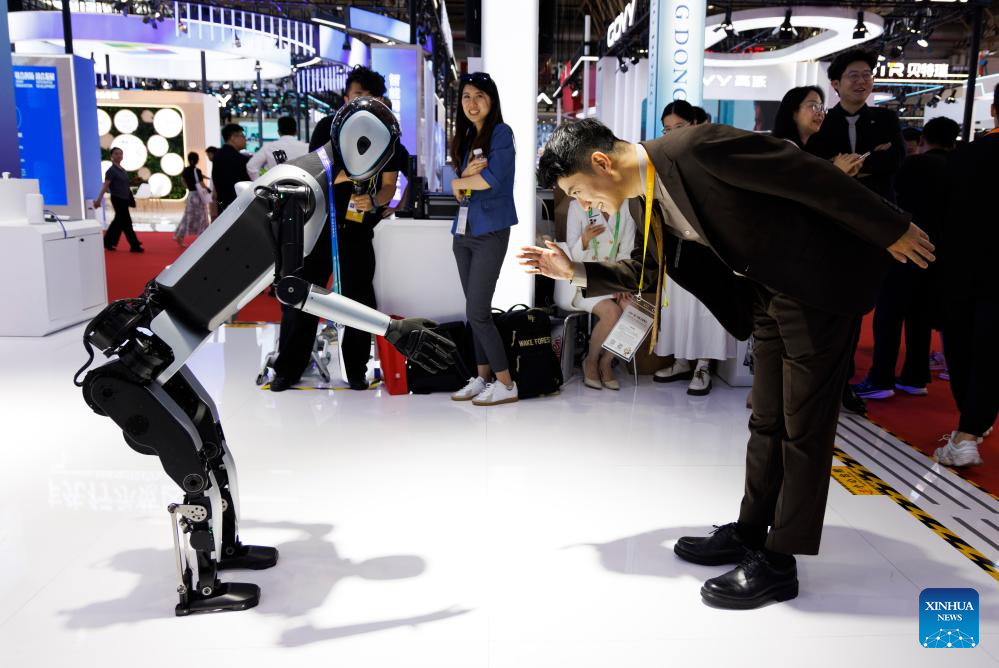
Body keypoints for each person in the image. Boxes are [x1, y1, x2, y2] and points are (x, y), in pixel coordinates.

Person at [521, 119, 932, 609]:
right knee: (767, 419)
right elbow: (645, 271)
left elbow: (806, 173)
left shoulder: (696, 148)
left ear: (601, 162)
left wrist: (890, 226)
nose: (584, 203)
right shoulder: (641, 197)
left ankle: (779, 561)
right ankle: (751, 531)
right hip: (766, 298)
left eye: (577, 191)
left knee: (804, 427)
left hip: (816, 288)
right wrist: (574, 269)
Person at [271, 66, 404, 392]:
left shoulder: (388, 133)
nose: (363, 102)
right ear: (346, 98)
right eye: (358, 95)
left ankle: (356, 369)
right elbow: (316, 170)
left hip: (357, 231)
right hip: (319, 227)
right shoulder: (327, 127)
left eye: (370, 96)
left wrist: (373, 201)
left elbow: (389, 185)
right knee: (303, 296)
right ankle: (288, 368)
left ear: (381, 100)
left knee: (359, 302)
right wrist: (348, 175)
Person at [807, 49, 906, 413]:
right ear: (835, 84)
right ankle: (837, 380)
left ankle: (877, 378)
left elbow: (894, 159)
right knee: (839, 305)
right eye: (853, 75)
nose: (862, 81)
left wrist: (849, 167)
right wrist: (866, 159)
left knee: (884, 302)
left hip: (879, 223)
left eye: (867, 74)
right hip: (834, 224)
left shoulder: (885, 118)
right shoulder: (823, 122)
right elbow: (816, 166)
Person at [854, 117, 961, 400]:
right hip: (940, 255)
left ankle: (881, 378)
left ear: (923, 139)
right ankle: (915, 377)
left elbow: (886, 198)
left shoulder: (911, 166)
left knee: (888, 316)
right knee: (920, 317)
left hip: (902, 248)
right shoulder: (959, 167)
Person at [933, 84, 999, 467]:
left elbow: (943, 216)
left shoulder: (965, 157)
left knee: (962, 350)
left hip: (963, 271)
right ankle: (973, 424)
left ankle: (967, 433)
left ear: (994, 110)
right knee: (991, 353)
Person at [447, 72, 519, 407]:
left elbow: (490, 180)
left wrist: (459, 182)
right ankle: (482, 377)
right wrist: (462, 181)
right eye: (466, 96)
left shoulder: (501, 133)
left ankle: (506, 384)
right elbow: (463, 190)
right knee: (473, 310)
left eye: (479, 96)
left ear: (492, 100)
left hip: (490, 231)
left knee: (478, 313)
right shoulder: (466, 138)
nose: (472, 103)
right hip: (464, 233)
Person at [653, 100, 735, 396]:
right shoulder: (661, 160)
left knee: (706, 307)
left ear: (695, 125)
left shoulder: (711, 157)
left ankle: (703, 365)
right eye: (667, 129)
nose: (672, 133)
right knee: (678, 304)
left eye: (679, 127)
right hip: (676, 243)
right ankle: (681, 360)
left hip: (709, 244)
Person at [563, 199, 636, 390]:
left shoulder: (626, 206)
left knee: (634, 311)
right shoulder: (577, 206)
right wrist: (584, 240)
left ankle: (606, 361)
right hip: (585, 278)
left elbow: (626, 251)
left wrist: (622, 282)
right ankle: (591, 361)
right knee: (612, 312)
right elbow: (570, 257)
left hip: (612, 278)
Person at [93, 146, 143, 253]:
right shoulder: (111, 171)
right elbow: (106, 186)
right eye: (116, 153)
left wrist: (133, 182)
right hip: (117, 199)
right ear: (111, 156)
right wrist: (98, 200)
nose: (119, 155)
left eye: (120, 153)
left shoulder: (122, 170)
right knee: (126, 222)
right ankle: (134, 245)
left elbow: (124, 184)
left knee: (119, 222)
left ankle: (108, 242)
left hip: (124, 198)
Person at [246, 116, 309, 180]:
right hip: (302, 184)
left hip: (275, 184)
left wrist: (260, 182)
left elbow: (251, 166)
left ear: (279, 132)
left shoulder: (268, 147)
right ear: (296, 131)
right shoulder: (307, 147)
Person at [173, 152, 211, 247]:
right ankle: (203, 238)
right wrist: (208, 190)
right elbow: (201, 183)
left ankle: (179, 236)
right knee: (202, 217)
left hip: (191, 195)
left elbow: (183, 180)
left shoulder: (186, 170)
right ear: (197, 160)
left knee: (187, 217)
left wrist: (188, 187)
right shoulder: (197, 170)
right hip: (198, 196)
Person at [212, 124, 250, 214]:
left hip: (223, 207)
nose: (245, 139)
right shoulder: (239, 158)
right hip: (238, 208)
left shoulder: (218, 155)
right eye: (243, 136)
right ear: (233, 137)